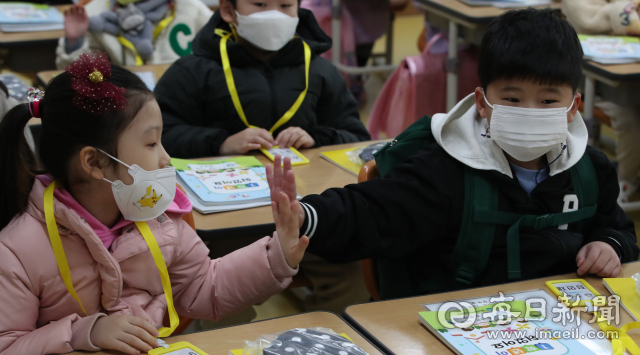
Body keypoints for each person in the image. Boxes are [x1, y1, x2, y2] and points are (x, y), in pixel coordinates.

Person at [267, 8, 639, 299]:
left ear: (573, 107)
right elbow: (373, 211)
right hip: (462, 321)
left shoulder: (590, 169)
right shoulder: (447, 166)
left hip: (556, 323)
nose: (529, 112)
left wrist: (609, 244)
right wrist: (305, 216)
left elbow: (617, 228)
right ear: (482, 102)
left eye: (547, 101)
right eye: (512, 99)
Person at [0, 52, 308, 355]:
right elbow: (7, 344)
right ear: (94, 161)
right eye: (151, 143)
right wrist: (84, 333)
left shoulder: (157, 217)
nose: (165, 157)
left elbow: (204, 287)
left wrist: (277, 253)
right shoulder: (18, 249)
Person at [154, 0, 370, 158]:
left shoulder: (321, 70)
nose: (274, 16)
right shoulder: (192, 71)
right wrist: (222, 143)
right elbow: (158, 137)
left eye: (285, 6)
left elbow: (356, 136)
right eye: (259, 4)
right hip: (227, 196)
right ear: (229, 10)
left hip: (306, 193)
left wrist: (316, 138)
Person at [563, 0, 640, 203]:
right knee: (630, 118)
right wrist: (627, 11)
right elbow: (586, 20)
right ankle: (625, 180)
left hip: (631, 71)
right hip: (592, 81)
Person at [57, 0, 212, 69]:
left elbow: (217, 58)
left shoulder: (192, 8)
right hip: (124, 111)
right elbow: (79, 77)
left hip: (183, 102)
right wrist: (75, 42)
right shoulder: (92, 14)